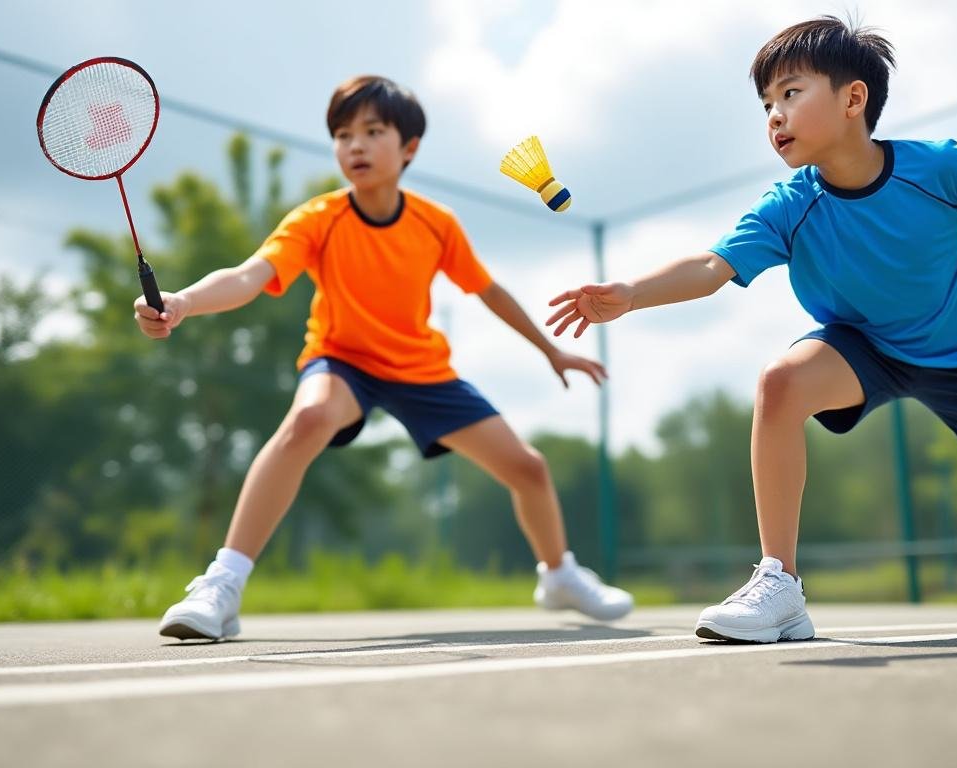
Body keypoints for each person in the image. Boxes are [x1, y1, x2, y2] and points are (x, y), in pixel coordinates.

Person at [546, 17, 957, 642]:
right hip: (862, 345)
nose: (775, 115)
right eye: (766, 104)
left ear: (853, 98)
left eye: (790, 93)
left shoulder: (940, 168)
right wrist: (632, 294)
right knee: (781, 383)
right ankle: (780, 584)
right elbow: (710, 267)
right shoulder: (790, 203)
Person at [136, 75, 632, 640]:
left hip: (420, 370)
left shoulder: (436, 223)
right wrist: (183, 301)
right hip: (342, 361)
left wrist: (551, 352)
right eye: (343, 134)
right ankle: (222, 586)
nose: (356, 145)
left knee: (529, 469)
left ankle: (559, 576)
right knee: (308, 418)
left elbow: (488, 290)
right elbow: (251, 275)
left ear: (409, 147)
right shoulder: (317, 219)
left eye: (373, 131)